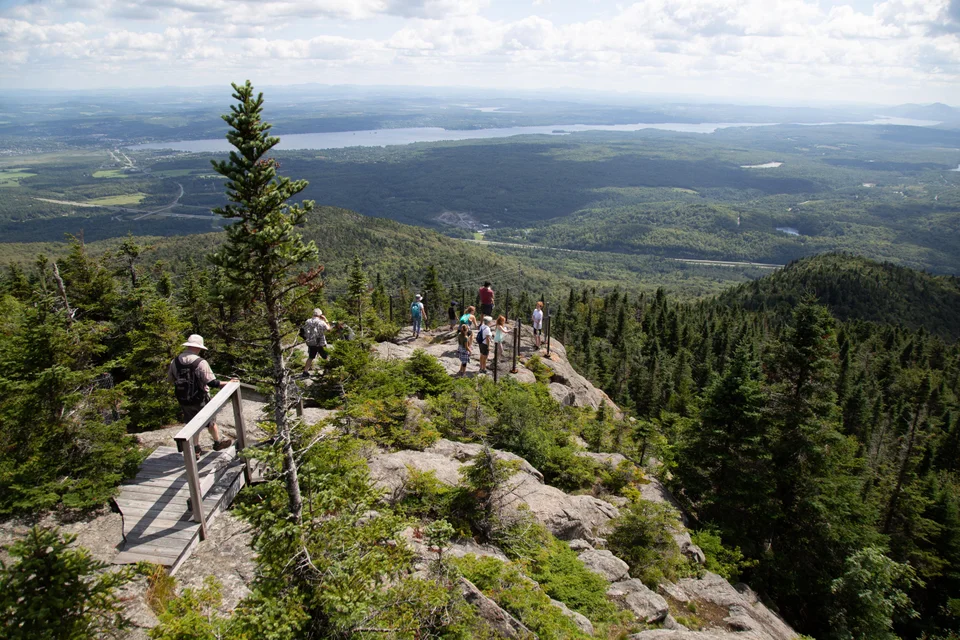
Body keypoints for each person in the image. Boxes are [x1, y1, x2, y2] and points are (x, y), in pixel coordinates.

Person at [167, 334, 236, 460]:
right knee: (210, 422)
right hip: (200, 399)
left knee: (191, 424)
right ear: (198, 348)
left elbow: (171, 379)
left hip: (184, 399)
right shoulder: (200, 362)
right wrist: (230, 383)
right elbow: (212, 382)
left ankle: (196, 450)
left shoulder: (175, 361)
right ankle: (217, 442)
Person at [301, 309, 330, 375]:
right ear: (320, 315)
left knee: (310, 357)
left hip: (311, 342)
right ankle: (327, 370)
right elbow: (328, 329)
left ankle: (305, 371)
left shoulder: (308, 321)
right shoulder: (321, 322)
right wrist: (326, 320)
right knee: (326, 357)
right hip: (321, 342)